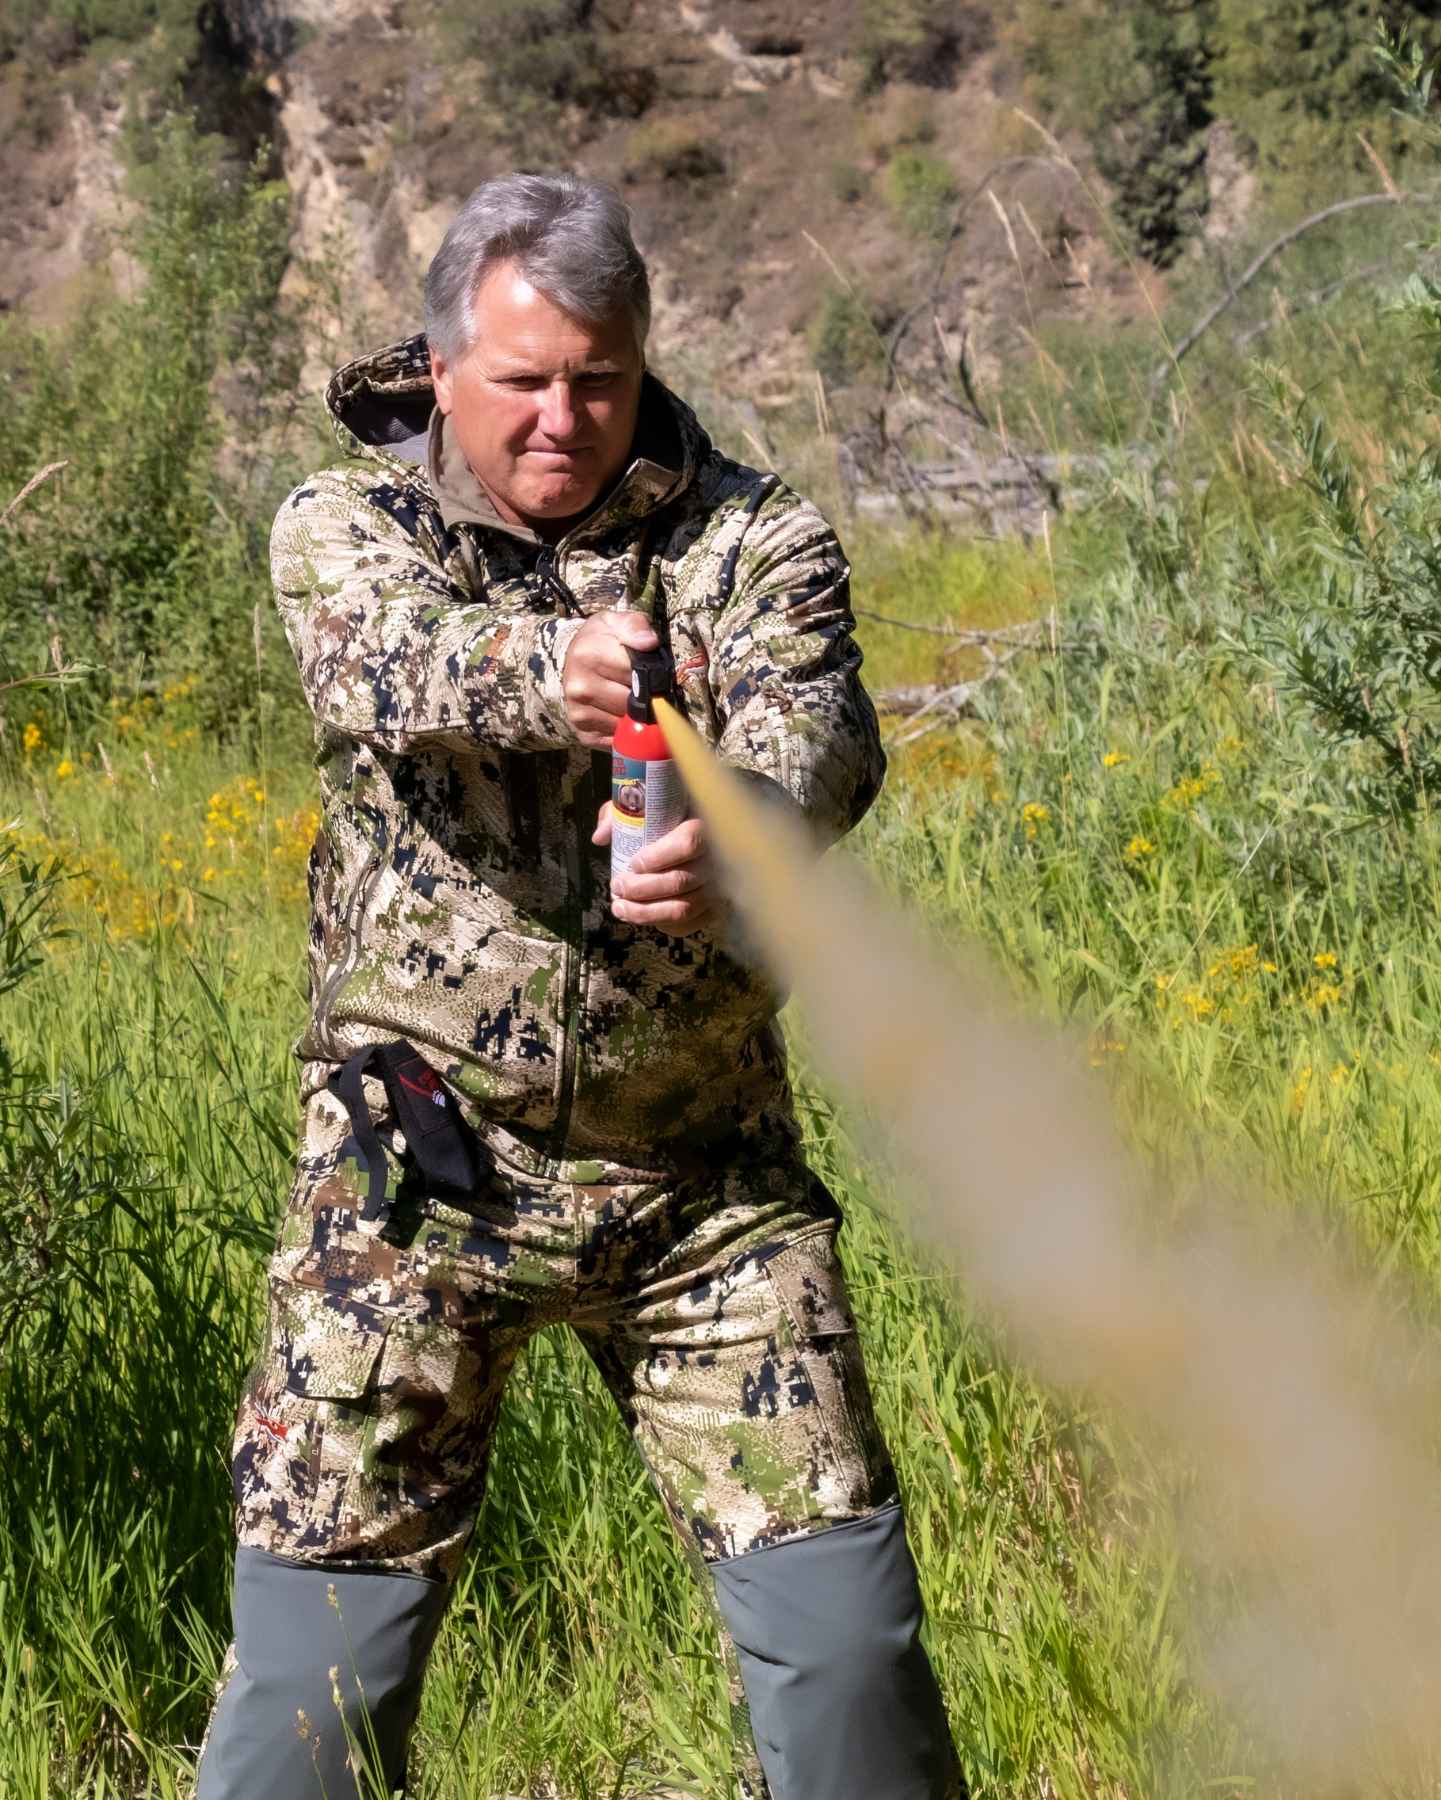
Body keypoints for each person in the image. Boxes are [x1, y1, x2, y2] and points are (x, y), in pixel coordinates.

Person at [195, 171, 965, 1800]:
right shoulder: (344, 522)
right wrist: (562, 667)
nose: (563, 420)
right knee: (306, 1692)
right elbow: (381, 662)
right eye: (523, 383)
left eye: (598, 381)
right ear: (443, 364)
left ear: (642, 357)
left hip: (700, 1192)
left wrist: (737, 838)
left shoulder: (757, 535)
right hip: (416, 1178)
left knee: (847, 1658)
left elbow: (816, 739)